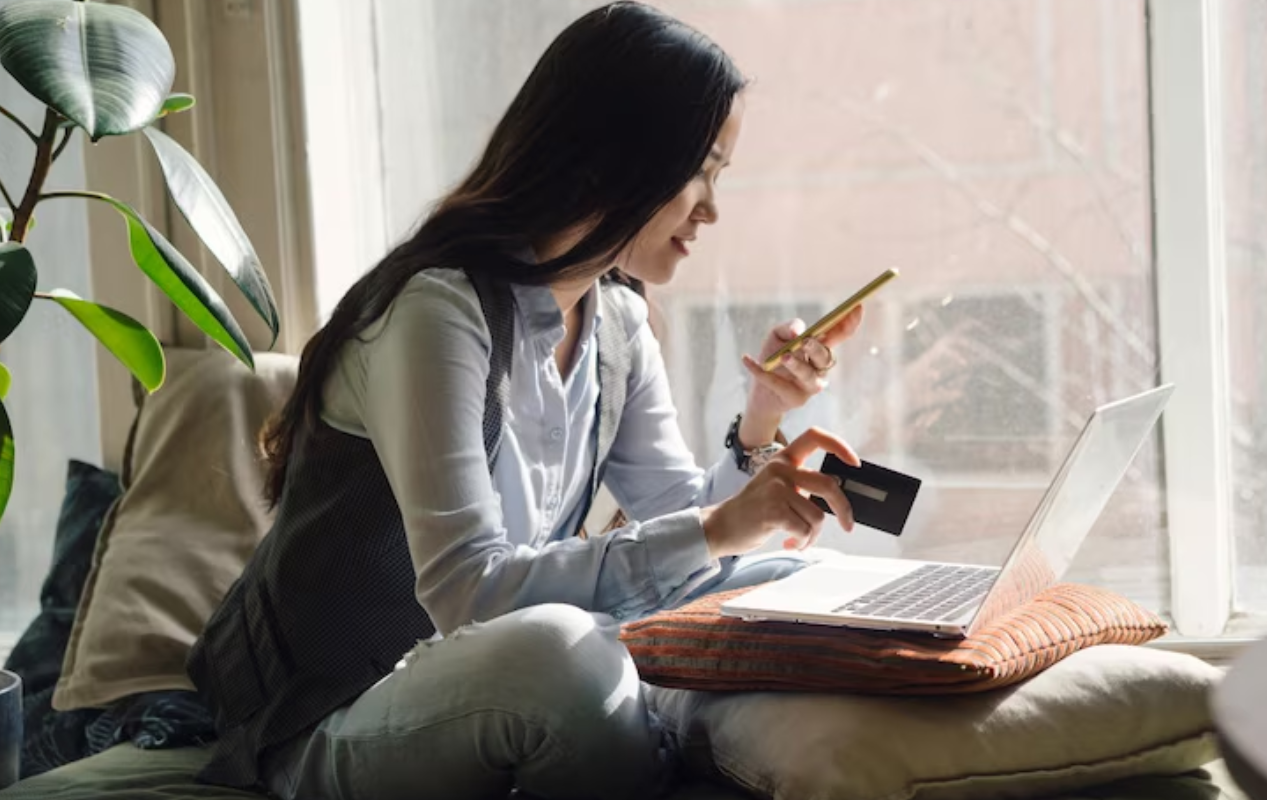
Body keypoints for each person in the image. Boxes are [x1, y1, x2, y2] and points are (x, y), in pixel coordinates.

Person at [187, 3, 865, 799]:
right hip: (334, 711)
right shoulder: (437, 311)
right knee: (561, 657)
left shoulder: (615, 321)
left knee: (810, 586)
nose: (711, 208)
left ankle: (673, 720)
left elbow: (681, 524)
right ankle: (665, 726)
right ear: (612, 156)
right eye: (701, 169)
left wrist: (759, 422)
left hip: (489, 680)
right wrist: (717, 528)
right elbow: (468, 593)